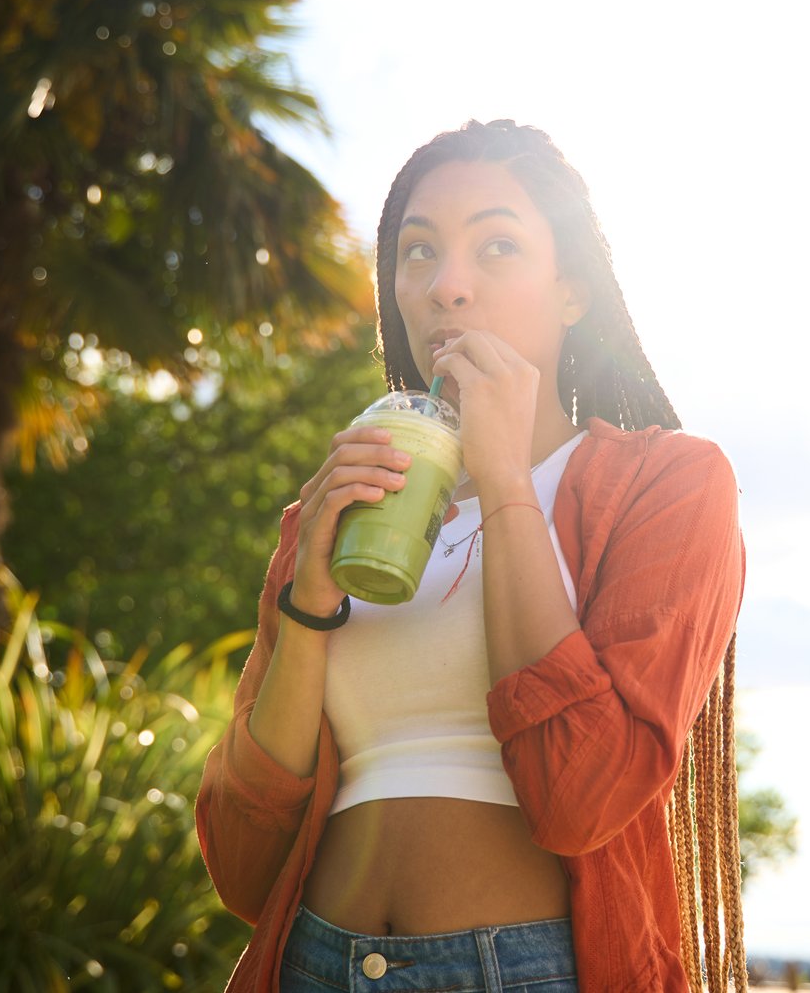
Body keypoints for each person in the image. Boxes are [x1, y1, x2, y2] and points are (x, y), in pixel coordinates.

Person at [196, 119, 748, 992]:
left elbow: (581, 798)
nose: (447, 287)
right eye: (418, 253)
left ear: (572, 288)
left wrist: (503, 482)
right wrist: (308, 593)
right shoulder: (332, 515)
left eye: (496, 245)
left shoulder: (670, 483)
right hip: (311, 965)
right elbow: (243, 867)